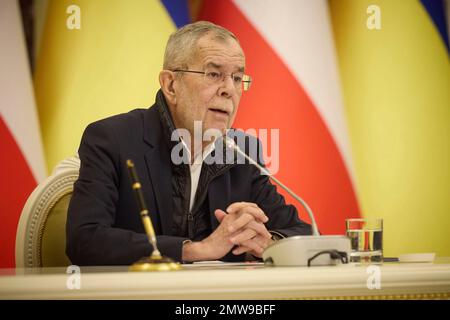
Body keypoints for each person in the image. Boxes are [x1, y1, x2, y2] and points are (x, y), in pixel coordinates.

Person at [66, 21, 312, 266]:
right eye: (213, 74)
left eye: (237, 78)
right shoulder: (112, 139)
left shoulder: (241, 153)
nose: (229, 90)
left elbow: (304, 233)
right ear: (171, 85)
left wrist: (267, 244)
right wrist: (199, 250)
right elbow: (85, 240)